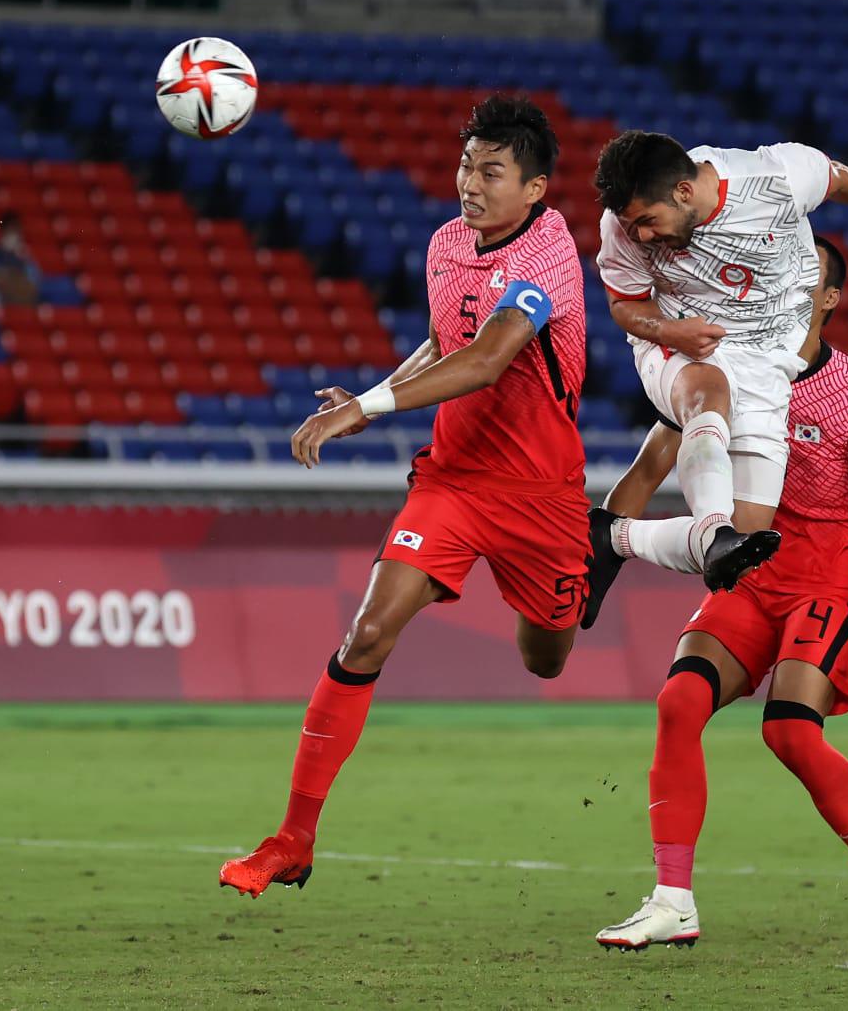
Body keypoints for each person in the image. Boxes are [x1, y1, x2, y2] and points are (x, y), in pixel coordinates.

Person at [219, 95, 590, 897]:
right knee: (368, 634)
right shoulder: (448, 244)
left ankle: (591, 570)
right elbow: (445, 341)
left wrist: (368, 406)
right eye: (465, 165)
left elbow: (491, 358)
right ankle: (293, 837)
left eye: (491, 171)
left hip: (543, 497)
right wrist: (380, 393)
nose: (470, 183)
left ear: (534, 190)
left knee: (547, 657)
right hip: (454, 480)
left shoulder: (547, 255)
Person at [592, 237, 848, 969]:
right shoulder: (727, 372)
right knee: (679, 702)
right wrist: (595, 550)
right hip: (753, 576)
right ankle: (673, 900)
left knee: (791, 737)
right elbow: (650, 466)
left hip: (826, 586)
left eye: (803, 279)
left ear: (829, 298)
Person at [584, 131, 848, 619]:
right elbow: (626, 304)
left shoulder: (775, 178)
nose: (644, 236)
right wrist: (671, 332)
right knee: (706, 389)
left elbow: (836, 176)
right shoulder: (621, 226)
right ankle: (712, 532)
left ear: (684, 192)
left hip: (766, 359)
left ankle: (615, 536)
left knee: (746, 542)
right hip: (679, 337)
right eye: (635, 228)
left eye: (649, 223)